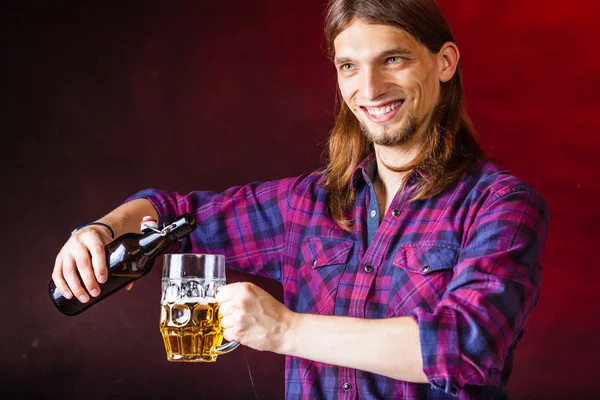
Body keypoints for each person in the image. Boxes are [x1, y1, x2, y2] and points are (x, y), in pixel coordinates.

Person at [51, 0, 549, 398]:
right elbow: (173, 214)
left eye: (392, 59)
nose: (369, 88)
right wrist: (100, 231)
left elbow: (464, 347)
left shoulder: (502, 205)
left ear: (444, 62)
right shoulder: (305, 204)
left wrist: (285, 330)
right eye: (349, 66)